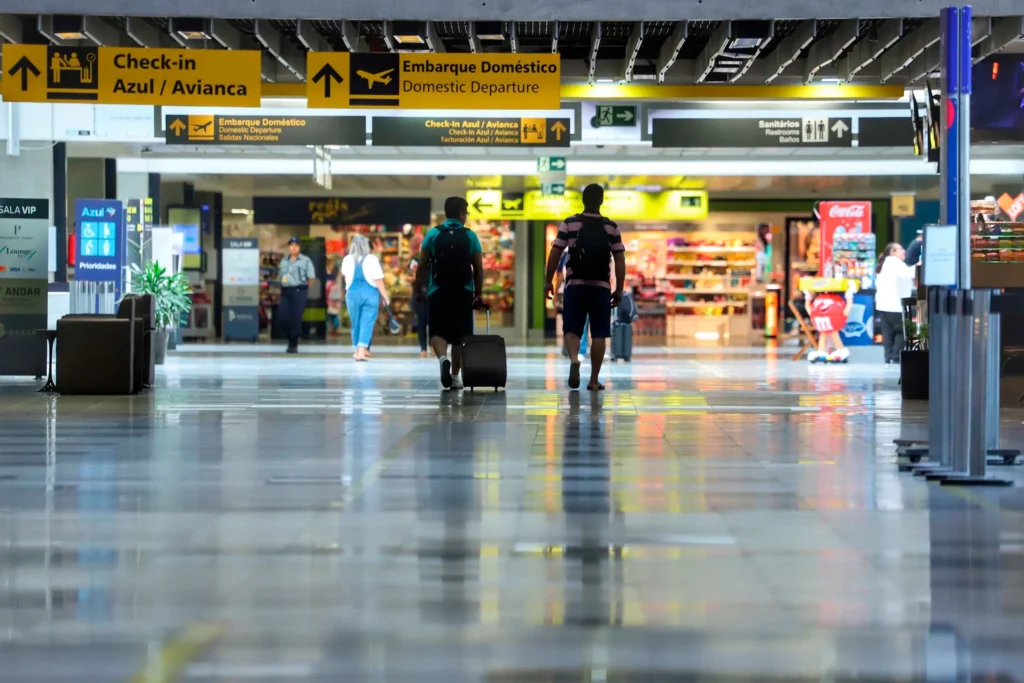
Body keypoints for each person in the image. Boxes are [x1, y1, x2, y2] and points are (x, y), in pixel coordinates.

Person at [544, 184, 626, 391]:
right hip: (600, 288)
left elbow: (555, 253)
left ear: (583, 200)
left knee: (572, 329)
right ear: (601, 200)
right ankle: (593, 380)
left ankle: (574, 360)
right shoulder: (611, 227)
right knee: (599, 333)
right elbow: (619, 259)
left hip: (575, 286)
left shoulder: (569, 223)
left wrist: (548, 281)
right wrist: (619, 289)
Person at [414, 197, 485, 390]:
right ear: (462, 213)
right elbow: (478, 268)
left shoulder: (434, 234)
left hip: (438, 289)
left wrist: (417, 289)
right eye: (466, 213)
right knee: (460, 336)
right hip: (463, 291)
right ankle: (455, 377)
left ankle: (442, 359)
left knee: (438, 331)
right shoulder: (470, 236)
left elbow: (421, 265)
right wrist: (478, 293)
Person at [341, 234, 389, 362]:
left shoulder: (347, 259)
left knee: (355, 322)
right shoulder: (372, 259)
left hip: (352, 295)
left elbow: (344, 274)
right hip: (370, 295)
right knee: (366, 323)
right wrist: (385, 296)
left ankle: (357, 351)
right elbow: (378, 280)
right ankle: (361, 352)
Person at [875, 241, 916, 365]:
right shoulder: (894, 262)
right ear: (892, 252)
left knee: (888, 333)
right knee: (902, 331)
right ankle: (895, 357)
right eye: (900, 249)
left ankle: (888, 357)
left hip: (884, 305)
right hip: (895, 305)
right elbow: (908, 274)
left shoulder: (886, 263)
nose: (904, 251)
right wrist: (920, 264)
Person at [278, 237, 316, 353]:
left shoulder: (305, 260)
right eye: (291, 245)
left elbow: (311, 278)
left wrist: (303, 288)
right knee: (283, 316)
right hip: (286, 291)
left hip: (299, 291)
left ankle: (293, 343)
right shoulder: (284, 260)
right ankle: (289, 337)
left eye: (296, 245)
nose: (293, 247)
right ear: (288, 247)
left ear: (299, 247)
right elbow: (281, 275)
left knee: (295, 317)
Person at [556, 250, 588, 360]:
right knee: (580, 320)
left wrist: (555, 292)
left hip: (574, 290)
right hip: (577, 290)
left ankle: (574, 350)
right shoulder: (567, 254)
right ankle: (577, 350)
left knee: (573, 320)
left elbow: (560, 274)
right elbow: (560, 274)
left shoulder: (567, 253)